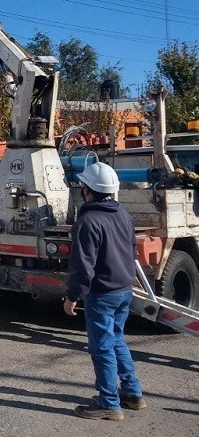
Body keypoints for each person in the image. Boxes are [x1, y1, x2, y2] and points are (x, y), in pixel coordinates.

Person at [64, 161, 145, 421]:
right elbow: (131, 251)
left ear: (87, 189)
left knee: (101, 348)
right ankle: (133, 394)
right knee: (117, 340)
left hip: (102, 294)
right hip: (124, 288)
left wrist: (72, 296)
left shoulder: (88, 221)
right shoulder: (123, 214)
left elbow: (82, 267)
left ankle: (109, 404)